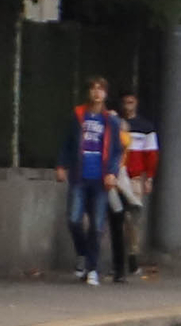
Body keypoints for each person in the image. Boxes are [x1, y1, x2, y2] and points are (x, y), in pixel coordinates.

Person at [57, 78, 123, 286]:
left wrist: (112, 172)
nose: (97, 92)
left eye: (101, 89)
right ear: (89, 92)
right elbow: (67, 142)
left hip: (100, 178)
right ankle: (83, 254)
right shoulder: (78, 115)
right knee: (74, 219)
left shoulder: (110, 121)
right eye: (93, 88)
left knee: (97, 225)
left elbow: (116, 151)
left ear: (105, 94)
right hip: (79, 175)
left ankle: (93, 268)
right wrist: (61, 165)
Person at [111, 93, 159, 281]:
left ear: (136, 103)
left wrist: (149, 178)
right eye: (125, 102)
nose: (128, 105)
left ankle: (131, 254)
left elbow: (151, 154)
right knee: (118, 217)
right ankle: (123, 259)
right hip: (117, 175)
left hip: (135, 177)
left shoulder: (146, 127)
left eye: (131, 102)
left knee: (132, 220)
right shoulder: (115, 124)